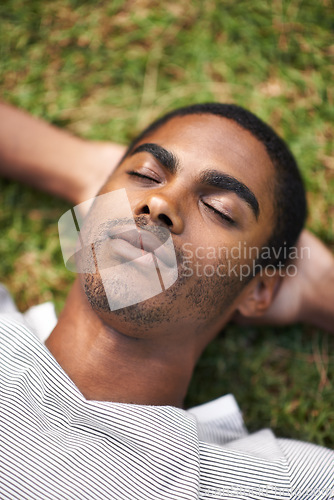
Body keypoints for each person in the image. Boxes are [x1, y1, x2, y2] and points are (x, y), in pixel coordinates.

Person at [0, 102, 333, 499]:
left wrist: (323, 287)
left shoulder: (275, 482)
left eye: (219, 210)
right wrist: (90, 178)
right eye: (145, 174)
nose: (160, 202)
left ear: (259, 290)